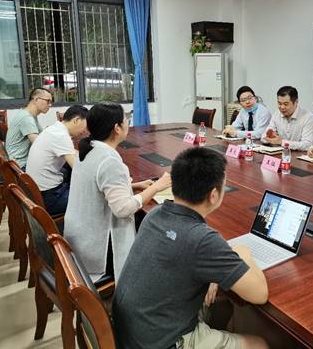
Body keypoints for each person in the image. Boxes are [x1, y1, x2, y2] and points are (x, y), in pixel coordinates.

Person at [113, 147, 268, 349]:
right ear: (214, 195)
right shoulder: (202, 239)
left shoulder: (155, 214)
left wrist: (213, 271)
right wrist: (241, 251)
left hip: (130, 330)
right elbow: (259, 294)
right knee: (260, 344)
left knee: (222, 306)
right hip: (159, 342)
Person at [63, 102, 171, 281]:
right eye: (126, 120)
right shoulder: (109, 161)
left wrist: (134, 186)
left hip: (79, 236)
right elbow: (123, 209)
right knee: (158, 229)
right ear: (117, 128)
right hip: (98, 249)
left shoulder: (88, 149)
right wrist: (156, 187)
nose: (128, 123)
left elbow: (97, 186)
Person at [26, 105, 89, 217]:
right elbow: (79, 169)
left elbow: (72, 152)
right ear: (77, 120)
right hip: (50, 198)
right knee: (93, 199)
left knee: (70, 176)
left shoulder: (54, 129)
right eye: (85, 126)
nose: (84, 131)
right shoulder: (61, 136)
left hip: (38, 191)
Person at [5, 88, 52, 169]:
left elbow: (41, 136)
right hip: (20, 165)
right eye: (48, 101)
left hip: (20, 161)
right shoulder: (26, 118)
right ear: (36, 99)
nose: (50, 105)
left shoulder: (29, 115)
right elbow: (39, 145)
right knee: (63, 170)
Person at [261, 86, 313, 150]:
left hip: (300, 154)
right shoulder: (277, 114)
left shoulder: (308, 117)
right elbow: (263, 137)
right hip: (280, 153)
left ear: (296, 102)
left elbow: (307, 145)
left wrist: (282, 142)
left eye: (286, 104)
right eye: (279, 103)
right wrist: (270, 137)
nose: (282, 107)